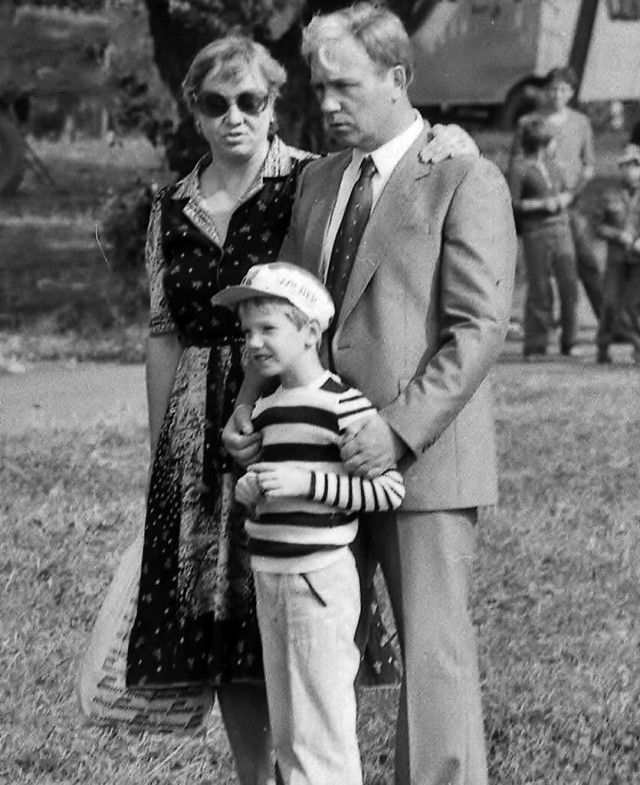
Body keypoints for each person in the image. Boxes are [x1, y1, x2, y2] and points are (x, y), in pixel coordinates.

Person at [128, 31, 480, 785]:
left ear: (272, 105)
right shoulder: (191, 202)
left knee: (336, 619)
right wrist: (180, 447)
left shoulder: (312, 177)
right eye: (215, 103)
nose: (234, 116)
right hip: (228, 431)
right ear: (193, 110)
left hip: (325, 425)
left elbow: (402, 176)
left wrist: (450, 135)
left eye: (250, 100)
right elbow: (164, 331)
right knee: (238, 622)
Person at [223, 4, 517, 785]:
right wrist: (251, 400)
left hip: (425, 462)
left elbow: (478, 328)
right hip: (318, 458)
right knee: (316, 654)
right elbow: (285, 309)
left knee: (433, 656)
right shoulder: (319, 179)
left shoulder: (464, 175)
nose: (326, 104)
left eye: (344, 87)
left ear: (397, 78)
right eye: (318, 88)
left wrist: (397, 429)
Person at [211, 262, 405, 785]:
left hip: (318, 579)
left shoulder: (342, 403)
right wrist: (252, 493)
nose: (254, 343)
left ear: (310, 331)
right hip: (269, 576)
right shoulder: (267, 408)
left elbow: (388, 490)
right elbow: (272, 492)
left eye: (268, 328)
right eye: (247, 332)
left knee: (322, 722)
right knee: (290, 726)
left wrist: (307, 483)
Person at [509, 66, 603, 320]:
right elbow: (517, 161)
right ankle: (542, 326)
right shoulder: (528, 122)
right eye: (552, 89)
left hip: (572, 204)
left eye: (563, 89)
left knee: (586, 262)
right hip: (539, 208)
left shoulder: (580, 122)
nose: (557, 95)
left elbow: (589, 166)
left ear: (571, 92)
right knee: (540, 273)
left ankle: (607, 323)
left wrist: (572, 193)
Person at [508, 118, 578, 358]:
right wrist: (541, 204)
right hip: (536, 231)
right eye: (552, 141)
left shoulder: (553, 165)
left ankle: (570, 341)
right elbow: (514, 202)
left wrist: (565, 198)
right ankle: (536, 345)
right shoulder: (520, 168)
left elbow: (568, 190)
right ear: (542, 143)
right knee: (540, 288)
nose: (555, 145)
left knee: (569, 285)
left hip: (561, 228)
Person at [594, 143, 640, 365]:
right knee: (610, 302)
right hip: (617, 258)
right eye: (625, 166)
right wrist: (617, 235)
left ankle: (638, 347)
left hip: (638, 260)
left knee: (633, 304)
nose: (630, 170)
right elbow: (597, 226)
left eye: (634, 166)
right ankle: (602, 346)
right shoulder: (609, 194)